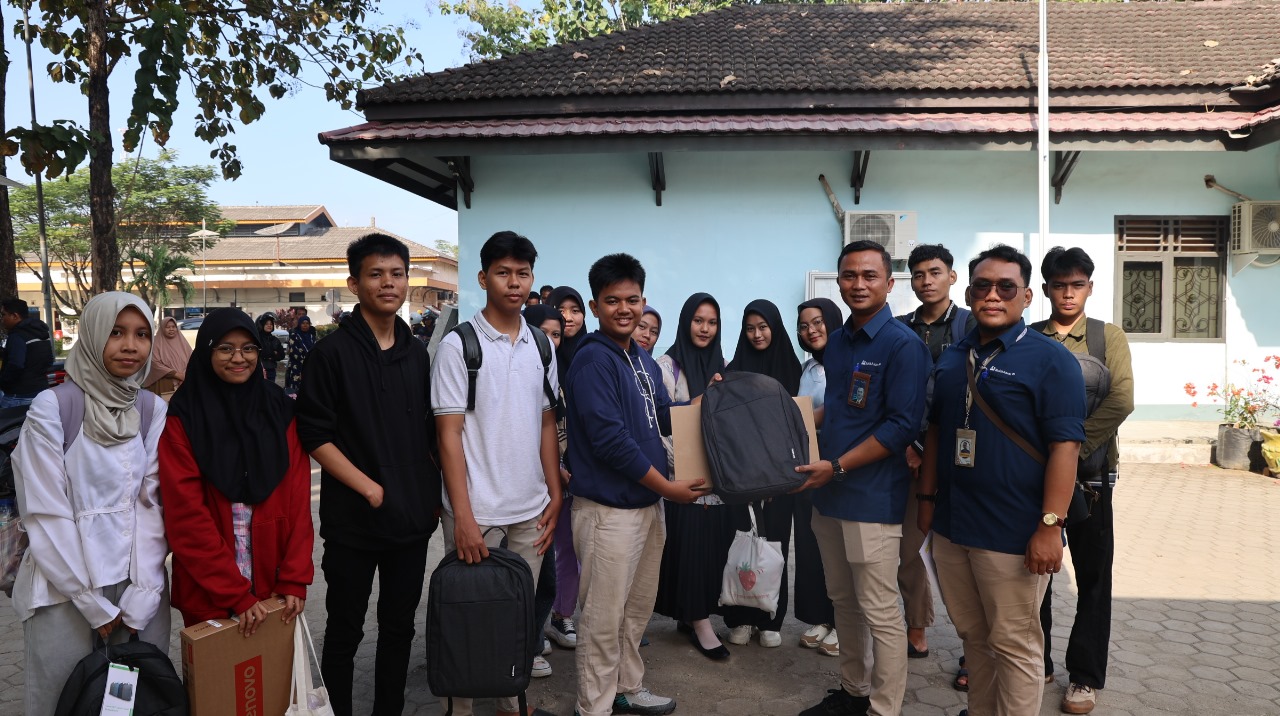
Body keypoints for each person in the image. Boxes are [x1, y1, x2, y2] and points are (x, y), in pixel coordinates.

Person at [918, 244, 1086, 716]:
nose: (993, 295)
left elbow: (1066, 448)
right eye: (983, 286)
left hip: (1013, 533)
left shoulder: (1051, 360)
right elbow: (936, 432)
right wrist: (926, 502)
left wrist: (1050, 525)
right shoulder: (953, 357)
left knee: (1014, 644)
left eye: (1006, 287)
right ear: (968, 294)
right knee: (974, 638)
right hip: (953, 528)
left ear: (1027, 296)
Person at [295, 233, 442, 716]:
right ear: (354, 283)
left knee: (399, 628)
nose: (388, 283)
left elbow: (430, 433)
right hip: (353, 522)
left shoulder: (417, 354)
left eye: (397, 274)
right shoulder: (331, 354)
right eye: (376, 274)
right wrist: (369, 488)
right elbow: (314, 434)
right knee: (344, 630)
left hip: (411, 522)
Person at [11, 292, 169, 716]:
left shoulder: (151, 409)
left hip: (136, 584)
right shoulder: (55, 406)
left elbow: (151, 506)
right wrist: (88, 600)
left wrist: (146, 592)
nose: (130, 346)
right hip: (63, 588)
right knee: (61, 699)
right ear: (93, 334)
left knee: (137, 702)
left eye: (141, 334)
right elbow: (46, 512)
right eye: (116, 332)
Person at [793, 242, 930, 716]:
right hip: (829, 495)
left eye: (869, 275)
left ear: (889, 283)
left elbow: (901, 427)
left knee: (879, 608)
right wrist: (787, 422)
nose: (858, 284)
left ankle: (884, 707)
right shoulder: (837, 342)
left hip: (872, 499)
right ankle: (854, 690)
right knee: (842, 601)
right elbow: (838, 409)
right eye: (849, 276)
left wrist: (838, 466)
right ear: (839, 282)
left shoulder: (903, 345)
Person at [566, 253, 705, 716]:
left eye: (632, 299)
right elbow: (611, 442)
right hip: (608, 513)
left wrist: (706, 404)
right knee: (603, 618)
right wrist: (669, 488)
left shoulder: (640, 358)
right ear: (595, 306)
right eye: (612, 301)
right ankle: (594, 707)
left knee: (635, 610)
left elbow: (663, 416)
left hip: (646, 506)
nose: (624, 309)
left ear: (643, 301)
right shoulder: (593, 360)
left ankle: (626, 687)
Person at [432, 231, 563, 714]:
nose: (514, 282)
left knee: (518, 617)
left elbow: (547, 423)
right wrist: (463, 518)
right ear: (483, 278)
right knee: (469, 617)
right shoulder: (459, 345)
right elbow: (448, 436)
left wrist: (555, 494)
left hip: (530, 510)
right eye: (503, 273)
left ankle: (511, 702)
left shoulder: (541, 345)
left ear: (532, 279)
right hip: (476, 511)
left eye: (522, 273)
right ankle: (460, 708)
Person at [159, 309, 313, 629]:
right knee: (218, 664)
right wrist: (234, 592)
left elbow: (299, 498)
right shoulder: (185, 415)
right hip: (210, 591)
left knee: (273, 663)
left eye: (248, 348)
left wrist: (295, 576)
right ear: (207, 351)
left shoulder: (279, 408)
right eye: (226, 348)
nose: (239, 358)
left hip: (274, 582)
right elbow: (185, 516)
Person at [1033, 246, 1134, 715]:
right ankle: (1037, 663)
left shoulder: (1107, 337)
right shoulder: (1030, 336)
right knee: (1034, 574)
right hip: (1034, 477)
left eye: (1077, 285)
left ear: (1090, 287)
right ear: (1046, 289)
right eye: (1059, 285)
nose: (1068, 294)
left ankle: (1084, 676)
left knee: (1093, 578)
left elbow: (1121, 400)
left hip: (1092, 481)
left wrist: (1070, 450)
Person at [896, 243, 975, 671]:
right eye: (919, 274)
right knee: (911, 548)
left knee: (964, 556)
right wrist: (910, 446)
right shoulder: (900, 328)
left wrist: (926, 449)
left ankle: (974, 648)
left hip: (959, 457)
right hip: (907, 455)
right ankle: (917, 628)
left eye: (935, 272)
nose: (927, 281)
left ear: (952, 277)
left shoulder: (970, 325)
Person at [653, 292, 734, 661]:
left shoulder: (723, 366)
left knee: (710, 550)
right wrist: (702, 399)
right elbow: (660, 421)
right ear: (686, 322)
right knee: (689, 550)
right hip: (682, 476)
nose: (705, 328)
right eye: (698, 320)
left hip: (719, 476)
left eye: (712, 322)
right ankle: (700, 623)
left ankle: (692, 615)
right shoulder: (666, 367)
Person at [721, 298, 802, 649]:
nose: (757, 335)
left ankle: (771, 618)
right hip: (742, 476)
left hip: (781, 477)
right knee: (740, 542)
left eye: (763, 327)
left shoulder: (793, 371)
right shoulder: (734, 371)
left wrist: (776, 475)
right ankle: (740, 617)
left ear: (775, 328)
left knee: (775, 544)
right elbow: (730, 428)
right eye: (750, 328)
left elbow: (795, 429)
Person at [792, 297, 843, 657]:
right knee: (813, 542)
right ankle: (821, 617)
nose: (811, 330)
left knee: (841, 545)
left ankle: (844, 622)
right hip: (810, 459)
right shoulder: (808, 368)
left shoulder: (847, 361)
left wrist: (803, 420)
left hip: (840, 462)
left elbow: (837, 408)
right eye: (804, 325)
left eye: (817, 322)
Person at [545, 284, 591, 650]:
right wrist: (556, 465)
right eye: (562, 310)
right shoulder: (542, 360)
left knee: (579, 549)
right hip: (550, 470)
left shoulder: (591, 356)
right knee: (553, 546)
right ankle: (552, 617)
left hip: (586, 469)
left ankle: (564, 614)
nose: (569, 317)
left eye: (576, 310)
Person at [0, 299, 54, 409]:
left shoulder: (17, 336)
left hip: (18, 396)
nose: (2, 319)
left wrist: (3, 382)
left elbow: (16, 364)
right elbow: (49, 359)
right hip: (42, 393)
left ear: (15, 316)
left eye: (3, 315)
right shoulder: (41, 333)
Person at [142, 316, 192, 402]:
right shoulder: (156, 343)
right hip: (165, 384)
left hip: (184, 382)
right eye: (168, 327)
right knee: (165, 406)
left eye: (173, 327)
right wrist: (177, 375)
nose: (171, 329)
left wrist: (185, 375)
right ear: (162, 328)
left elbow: (192, 360)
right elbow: (155, 363)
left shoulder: (183, 343)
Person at [285, 315, 318, 394]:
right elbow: (293, 351)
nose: (305, 325)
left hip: (309, 366)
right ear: (299, 324)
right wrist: (305, 360)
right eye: (303, 323)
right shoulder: (294, 336)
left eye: (307, 323)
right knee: (295, 390)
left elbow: (316, 350)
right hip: (297, 366)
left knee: (308, 388)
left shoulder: (312, 337)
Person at [256, 313, 286, 384]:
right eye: (267, 324)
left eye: (271, 324)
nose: (269, 326)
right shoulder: (258, 338)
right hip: (259, 369)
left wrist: (272, 356)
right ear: (262, 325)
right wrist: (273, 353)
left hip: (271, 369)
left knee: (270, 389)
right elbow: (261, 353)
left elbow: (282, 355)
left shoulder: (275, 339)